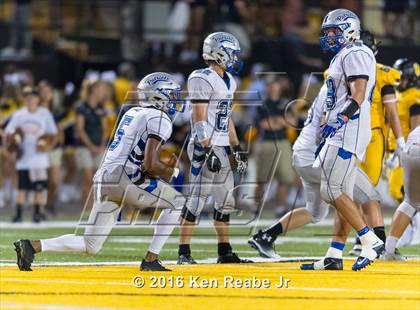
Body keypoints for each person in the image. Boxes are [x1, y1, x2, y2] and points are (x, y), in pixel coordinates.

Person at [13, 73, 186, 272]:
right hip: (124, 176)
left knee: (90, 244)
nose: (175, 100)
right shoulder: (159, 118)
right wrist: (170, 170)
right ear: (158, 96)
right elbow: (150, 165)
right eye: (171, 95)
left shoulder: (133, 112)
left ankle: (32, 246)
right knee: (177, 202)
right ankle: (151, 259)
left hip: (105, 176)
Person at [301, 9, 381, 271]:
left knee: (331, 190)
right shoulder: (344, 55)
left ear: (349, 29)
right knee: (342, 193)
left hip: (349, 129)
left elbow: (357, 94)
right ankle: (334, 254)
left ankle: (370, 240)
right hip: (341, 128)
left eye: (334, 31)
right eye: (327, 32)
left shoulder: (356, 52)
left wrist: (341, 118)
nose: (329, 36)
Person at [177, 32, 249, 264]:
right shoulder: (201, 77)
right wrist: (205, 148)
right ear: (219, 52)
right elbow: (198, 118)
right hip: (204, 145)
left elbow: (225, 116)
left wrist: (235, 146)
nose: (235, 57)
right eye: (232, 53)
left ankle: (224, 251)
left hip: (220, 145)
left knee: (225, 200)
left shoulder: (229, 79)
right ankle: (184, 252)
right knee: (197, 199)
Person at [347, 31, 405, 255]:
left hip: (371, 136)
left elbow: (392, 112)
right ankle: (365, 239)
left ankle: (368, 239)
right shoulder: (344, 68)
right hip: (350, 136)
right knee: (352, 190)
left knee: (366, 190)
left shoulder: (383, 74)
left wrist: (398, 143)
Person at [384, 60, 420, 260]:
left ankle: (388, 250)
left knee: (410, 202)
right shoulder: (409, 97)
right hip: (411, 146)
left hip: (410, 148)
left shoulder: (411, 97)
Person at [5, 86, 57, 222]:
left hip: (39, 156)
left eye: (33, 97)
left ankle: (37, 213)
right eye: (27, 98)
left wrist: (49, 145)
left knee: (39, 187)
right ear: (24, 99)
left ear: (38, 99)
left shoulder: (44, 113)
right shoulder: (19, 114)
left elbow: (53, 132)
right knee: (22, 186)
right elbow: (9, 131)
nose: (30, 100)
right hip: (24, 156)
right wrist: (13, 141)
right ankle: (18, 214)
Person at [74, 81, 108, 205]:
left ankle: (95, 207)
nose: (104, 91)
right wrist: (91, 146)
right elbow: (80, 129)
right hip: (84, 147)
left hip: (99, 147)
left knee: (99, 180)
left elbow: (105, 129)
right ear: (94, 90)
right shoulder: (81, 107)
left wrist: (101, 145)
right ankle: (86, 208)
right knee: (88, 178)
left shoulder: (100, 108)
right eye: (101, 88)